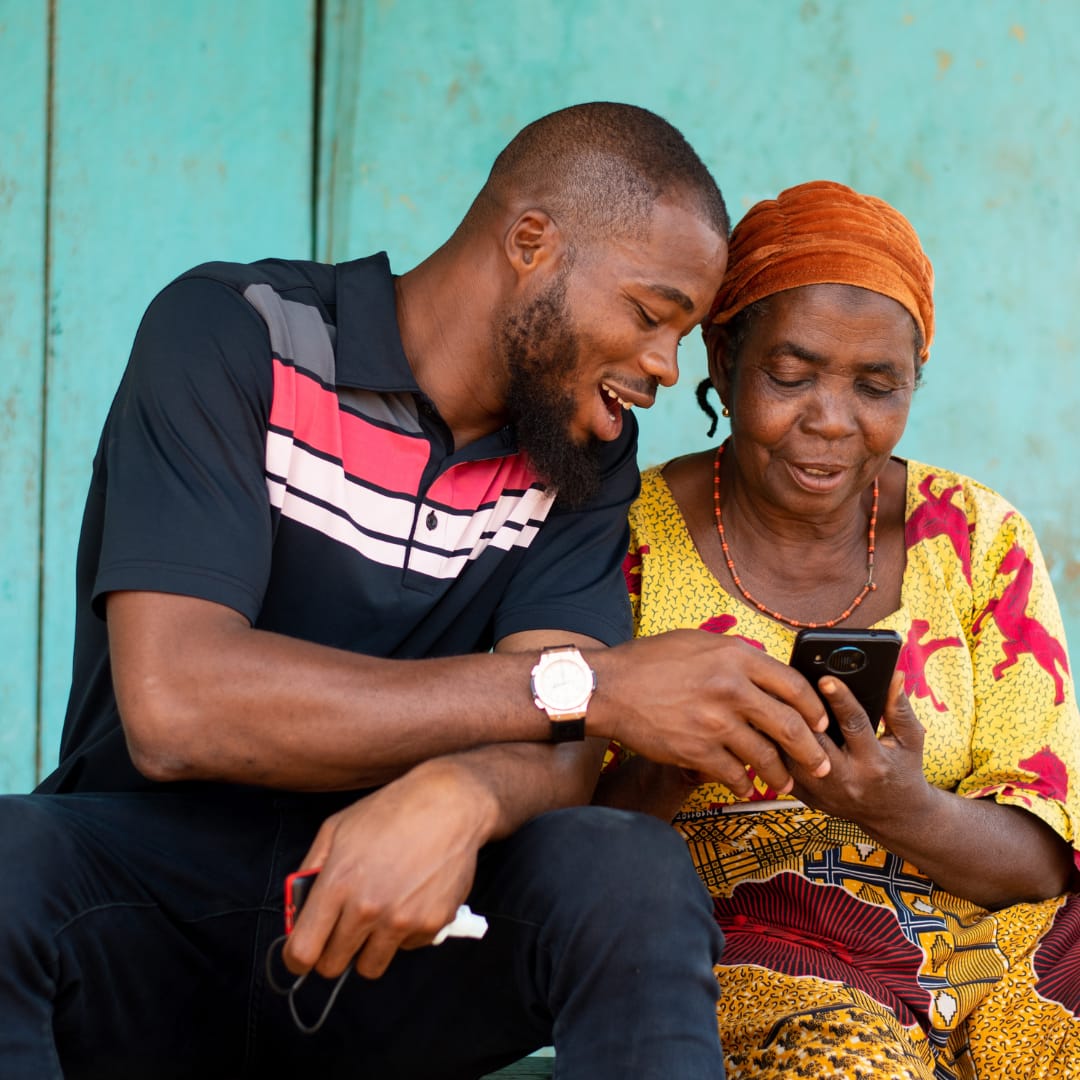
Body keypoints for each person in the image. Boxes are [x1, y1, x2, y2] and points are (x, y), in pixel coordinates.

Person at [0, 104, 839, 1079]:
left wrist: (460, 795)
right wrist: (589, 687)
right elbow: (177, 706)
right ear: (531, 243)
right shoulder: (238, 335)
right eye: (652, 315)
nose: (664, 367)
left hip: (398, 917)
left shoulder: (581, 451)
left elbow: (563, 755)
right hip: (145, 914)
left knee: (625, 868)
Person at [596, 179, 1080, 1079]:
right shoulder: (620, 538)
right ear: (722, 357)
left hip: (989, 946)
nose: (830, 419)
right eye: (790, 375)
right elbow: (560, 840)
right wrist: (679, 755)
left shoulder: (980, 538)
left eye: (876, 386)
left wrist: (901, 807)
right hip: (755, 948)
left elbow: (1047, 858)